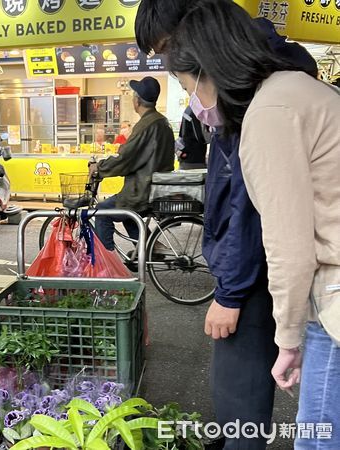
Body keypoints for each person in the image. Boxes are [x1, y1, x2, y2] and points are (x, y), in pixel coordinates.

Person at [145, 1, 339, 449]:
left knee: (319, 436)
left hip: (334, 295)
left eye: (183, 79)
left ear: (208, 62)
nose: (191, 98)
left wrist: (288, 339)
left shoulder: (267, 113)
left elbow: (286, 240)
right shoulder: (296, 87)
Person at [89, 76, 174, 251]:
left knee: (103, 211)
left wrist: (100, 167)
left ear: (137, 101)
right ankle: (150, 247)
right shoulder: (161, 121)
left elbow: (126, 158)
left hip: (142, 189)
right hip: (155, 186)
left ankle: (107, 264)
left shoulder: (146, 125)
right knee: (126, 213)